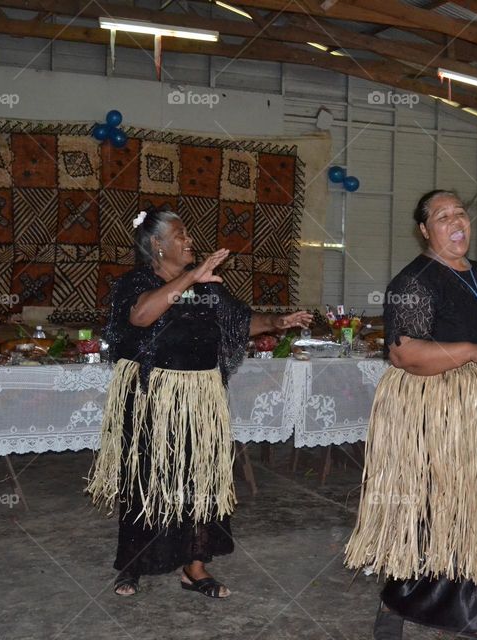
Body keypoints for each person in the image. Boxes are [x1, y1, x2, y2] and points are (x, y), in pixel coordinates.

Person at [345, 190, 477, 639]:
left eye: (461, 213)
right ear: (424, 229)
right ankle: (395, 606)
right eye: (442, 216)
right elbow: (404, 353)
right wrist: (473, 352)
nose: (456, 222)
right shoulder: (413, 281)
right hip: (439, 414)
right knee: (432, 509)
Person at [87, 206, 311, 598]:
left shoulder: (207, 287)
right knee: (147, 479)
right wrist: (191, 276)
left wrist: (278, 322)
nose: (189, 240)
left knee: (199, 479)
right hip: (152, 396)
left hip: (200, 397)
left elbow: (238, 323)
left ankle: (194, 567)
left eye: (187, 233)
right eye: (180, 234)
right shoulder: (137, 282)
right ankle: (133, 564)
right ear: (157, 244)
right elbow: (140, 317)